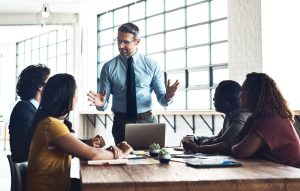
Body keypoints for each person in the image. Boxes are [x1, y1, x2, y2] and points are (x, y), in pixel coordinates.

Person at [26, 74, 133, 191]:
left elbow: (82, 152)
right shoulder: (51, 124)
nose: (77, 97)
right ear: (66, 96)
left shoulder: (52, 122)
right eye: (76, 93)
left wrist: (99, 149)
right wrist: (121, 154)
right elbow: (93, 155)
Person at [87, 22, 179, 144]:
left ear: (137, 41)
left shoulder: (151, 65)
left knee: (151, 160)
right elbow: (103, 102)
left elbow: (162, 100)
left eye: (125, 42)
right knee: (123, 160)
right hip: (121, 123)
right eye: (118, 41)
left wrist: (168, 96)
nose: (120, 46)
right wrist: (100, 104)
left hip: (146, 122)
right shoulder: (108, 67)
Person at [232, 72, 300, 168]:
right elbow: (235, 144)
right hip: (275, 172)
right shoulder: (256, 118)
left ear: (253, 94)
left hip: (292, 178)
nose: (240, 94)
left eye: (243, 89)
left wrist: (234, 147)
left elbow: (241, 152)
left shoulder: (271, 118)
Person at [182, 80, 251, 154]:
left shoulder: (240, 117)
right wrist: (197, 140)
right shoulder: (229, 115)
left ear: (227, 101)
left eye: (217, 96)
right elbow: (219, 138)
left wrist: (199, 148)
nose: (214, 99)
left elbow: (225, 145)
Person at [9, 64, 50, 163]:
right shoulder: (23, 109)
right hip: (33, 170)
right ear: (40, 86)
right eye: (50, 83)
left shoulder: (38, 109)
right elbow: (28, 147)